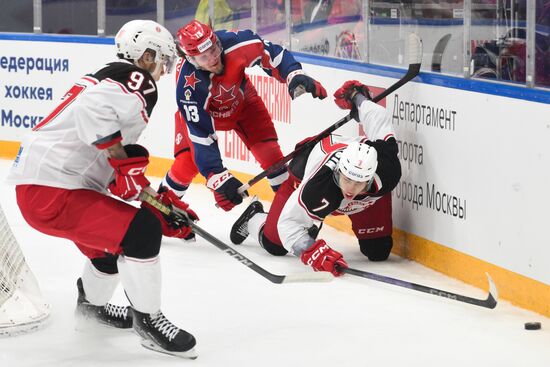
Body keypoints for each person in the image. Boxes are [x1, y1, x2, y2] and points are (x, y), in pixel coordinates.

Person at [6, 20, 198, 359]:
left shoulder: (108, 76)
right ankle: (149, 321)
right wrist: (128, 173)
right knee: (142, 232)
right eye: (163, 62)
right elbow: (94, 114)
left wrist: (157, 199)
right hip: (54, 188)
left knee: (110, 246)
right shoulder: (135, 79)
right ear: (146, 55)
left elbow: (104, 155)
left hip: (45, 186)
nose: (164, 72)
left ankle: (91, 311)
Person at [229, 80, 401, 276]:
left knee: (378, 250)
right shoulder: (318, 184)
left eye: (359, 182)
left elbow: (378, 118)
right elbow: (289, 224)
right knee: (275, 244)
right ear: (338, 171)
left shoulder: (388, 169)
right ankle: (256, 217)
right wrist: (311, 250)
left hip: (361, 198)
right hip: (303, 177)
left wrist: (357, 97)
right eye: (347, 179)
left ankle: (317, 223)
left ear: (370, 178)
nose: (351, 188)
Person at [159, 19, 327, 214]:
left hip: (243, 102)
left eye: (214, 49)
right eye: (204, 58)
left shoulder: (234, 42)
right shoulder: (188, 86)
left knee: (271, 155)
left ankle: (291, 212)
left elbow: (270, 53)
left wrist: (293, 74)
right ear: (191, 60)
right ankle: (160, 209)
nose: (213, 58)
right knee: (187, 162)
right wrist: (218, 178)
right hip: (203, 117)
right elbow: (201, 135)